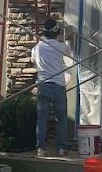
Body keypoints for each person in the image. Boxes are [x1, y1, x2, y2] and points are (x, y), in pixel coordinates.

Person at [31, 17, 72, 158]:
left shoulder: (37, 48)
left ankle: (41, 149)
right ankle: (61, 149)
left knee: (42, 119)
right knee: (61, 119)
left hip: (43, 86)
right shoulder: (60, 46)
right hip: (58, 86)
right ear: (57, 32)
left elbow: (33, 62)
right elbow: (69, 53)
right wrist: (68, 38)